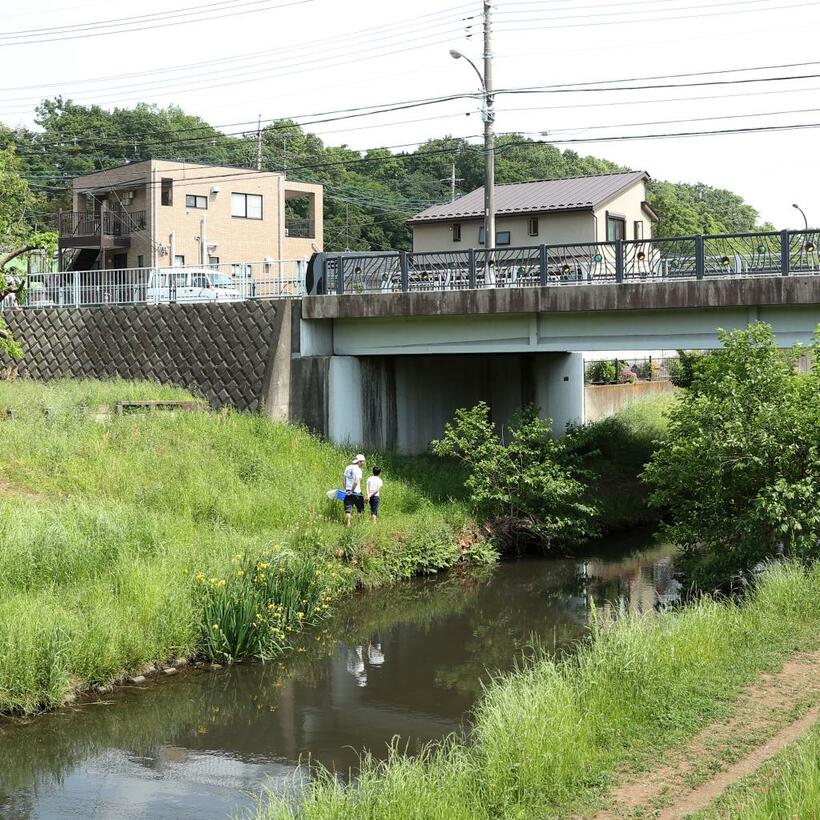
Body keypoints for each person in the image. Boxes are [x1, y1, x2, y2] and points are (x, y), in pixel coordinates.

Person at [342, 454, 365, 526]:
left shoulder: (348, 467)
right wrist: (352, 490)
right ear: (359, 462)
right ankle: (359, 524)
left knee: (348, 511)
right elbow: (355, 482)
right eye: (363, 462)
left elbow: (343, 480)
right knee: (360, 509)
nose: (364, 463)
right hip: (356, 492)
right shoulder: (358, 470)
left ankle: (348, 525)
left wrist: (346, 489)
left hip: (347, 492)